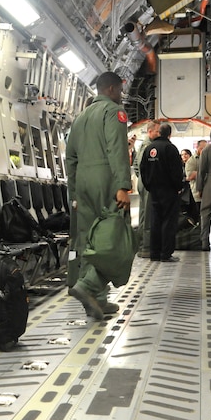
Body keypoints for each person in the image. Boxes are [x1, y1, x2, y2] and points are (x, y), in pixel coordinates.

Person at [65, 71, 132, 320]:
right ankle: (89, 287)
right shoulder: (114, 112)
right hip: (106, 180)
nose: (121, 95)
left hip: (82, 184)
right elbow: (116, 149)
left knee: (88, 241)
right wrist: (122, 186)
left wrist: (74, 193)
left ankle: (98, 301)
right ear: (113, 89)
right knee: (114, 239)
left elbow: (69, 159)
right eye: (121, 90)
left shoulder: (79, 118)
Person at [139, 123, 185, 262]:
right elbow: (176, 171)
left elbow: (143, 169)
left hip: (154, 191)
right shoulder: (170, 148)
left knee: (155, 221)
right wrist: (178, 187)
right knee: (168, 222)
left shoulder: (149, 148)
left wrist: (149, 186)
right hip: (169, 191)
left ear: (159, 133)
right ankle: (165, 254)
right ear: (169, 134)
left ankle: (154, 253)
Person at [133, 119, 162, 257]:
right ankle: (146, 247)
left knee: (145, 214)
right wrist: (149, 181)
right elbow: (142, 167)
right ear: (150, 131)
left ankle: (143, 246)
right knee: (148, 216)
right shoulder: (148, 147)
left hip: (143, 183)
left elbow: (135, 166)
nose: (159, 133)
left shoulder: (144, 145)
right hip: (147, 184)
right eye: (157, 131)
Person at [184, 139, 207, 224]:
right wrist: (204, 173)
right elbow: (190, 176)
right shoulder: (191, 161)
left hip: (207, 193)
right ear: (197, 147)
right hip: (196, 194)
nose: (204, 150)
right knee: (198, 217)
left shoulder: (207, 158)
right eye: (202, 148)